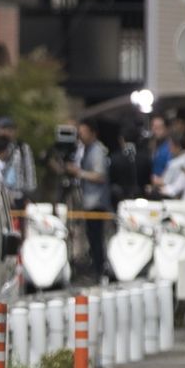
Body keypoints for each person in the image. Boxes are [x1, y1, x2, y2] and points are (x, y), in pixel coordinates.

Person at [68, 118, 110, 280]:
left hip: (96, 202)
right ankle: (95, 266)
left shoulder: (97, 151)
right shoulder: (85, 149)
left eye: (84, 132)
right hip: (88, 201)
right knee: (91, 237)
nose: (81, 136)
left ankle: (99, 269)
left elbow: (100, 176)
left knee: (96, 237)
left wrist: (78, 172)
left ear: (93, 133)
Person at [0, 117, 37, 209]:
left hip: (18, 194)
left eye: (9, 129)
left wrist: (28, 194)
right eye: (3, 129)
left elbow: (29, 171)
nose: (6, 133)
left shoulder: (22, 148)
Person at [108, 125, 152, 208]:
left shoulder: (115, 158)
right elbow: (148, 180)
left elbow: (111, 179)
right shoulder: (145, 158)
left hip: (120, 202)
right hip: (141, 201)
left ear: (121, 139)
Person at [150, 115, 172, 187]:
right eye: (154, 127)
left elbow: (170, 169)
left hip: (164, 185)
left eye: (159, 128)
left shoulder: (170, 147)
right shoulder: (151, 145)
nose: (155, 130)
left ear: (166, 129)